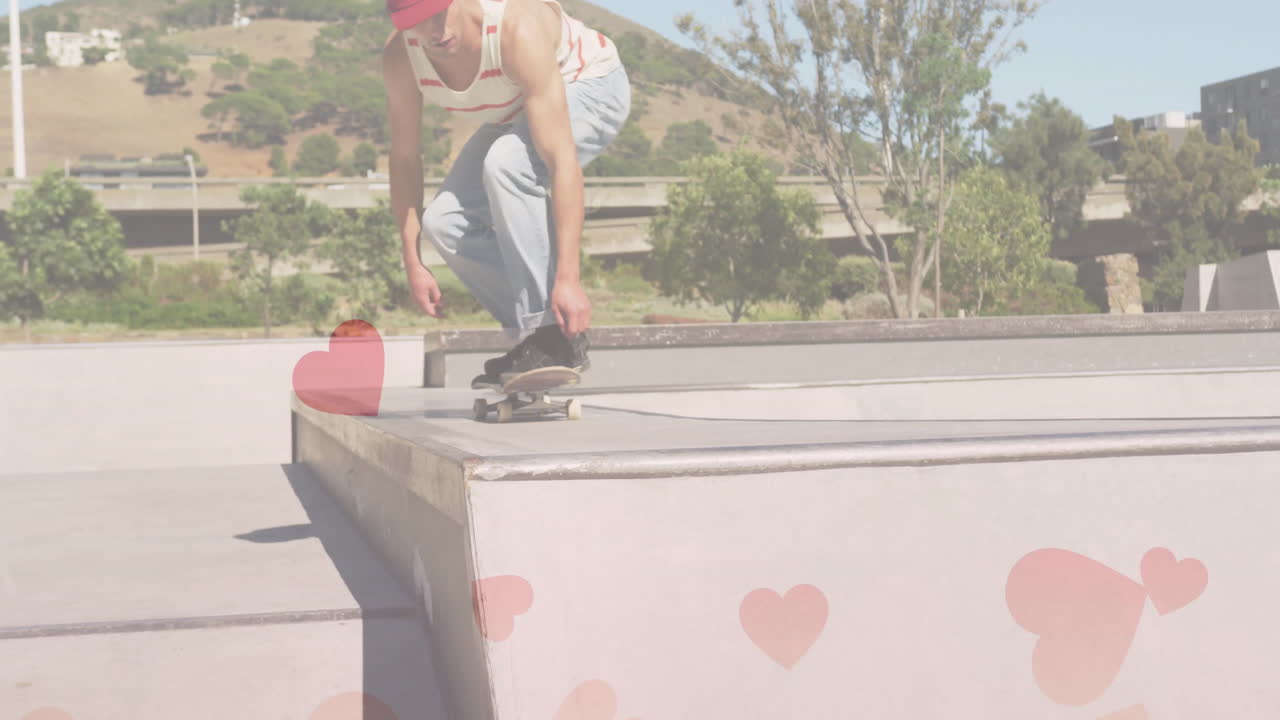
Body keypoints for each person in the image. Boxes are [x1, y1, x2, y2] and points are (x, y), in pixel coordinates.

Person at [382, 0, 630, 388]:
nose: (433, 31)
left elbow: (562, 162)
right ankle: (542, 335)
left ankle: (551, 333)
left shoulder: (516, 27)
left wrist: (568, 279)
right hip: (517, 108)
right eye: (416, 23)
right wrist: (412, 261)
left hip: (590, 84)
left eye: (437, 13)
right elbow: (404, 157)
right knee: (443, 221)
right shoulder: (402, 57)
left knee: (507, 163)